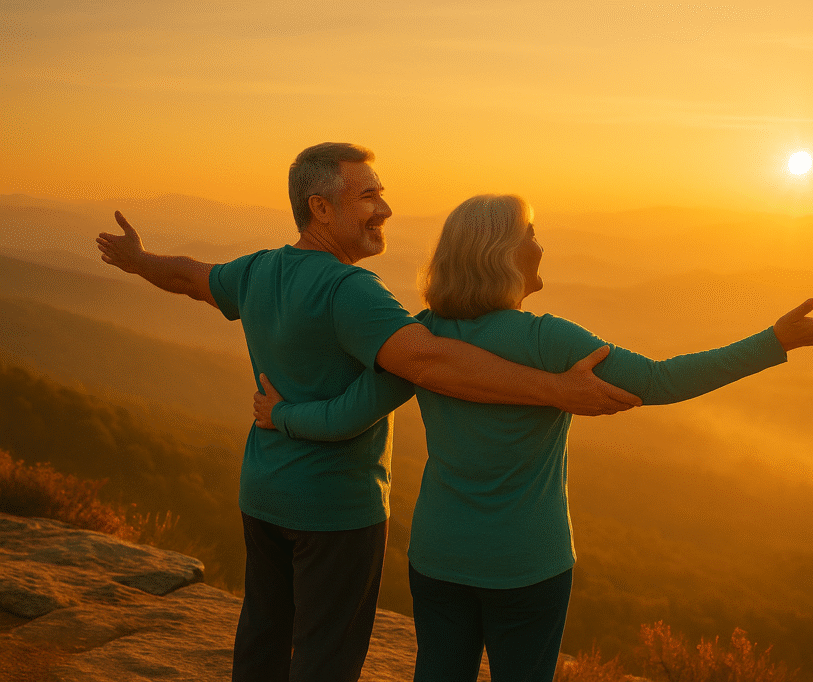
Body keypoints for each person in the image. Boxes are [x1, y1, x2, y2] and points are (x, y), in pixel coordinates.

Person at [252, 194, 813, 682]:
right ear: (504, 253)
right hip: (529, 562)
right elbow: (660, 380)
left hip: (439, 557)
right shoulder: (550, 340)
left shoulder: (422, 337)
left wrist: (281, 415)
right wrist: (775, 341)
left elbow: (343, 416)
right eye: (530, 235)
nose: (540, 246)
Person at [95, 145, 642, 682]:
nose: (384, 209)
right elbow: (428, 360)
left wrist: (138, 261)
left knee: (263, 636)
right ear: (320, 207)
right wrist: (557, 389)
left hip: (262, 492)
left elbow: (192, 277)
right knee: (326, 657)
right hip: (335, 510)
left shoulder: (261, 270)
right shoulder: (350, 289)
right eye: (368, 195)